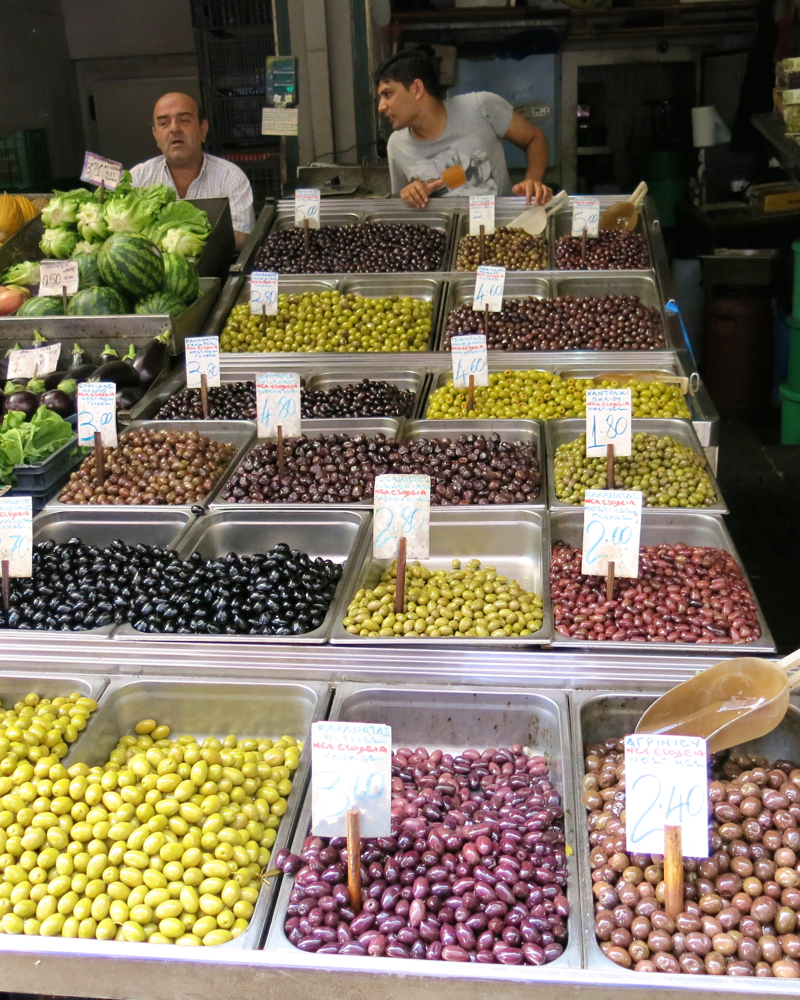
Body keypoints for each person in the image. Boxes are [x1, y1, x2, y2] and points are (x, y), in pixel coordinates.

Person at [375, 51, 552, 210]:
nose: (381, 106)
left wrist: (532, 182)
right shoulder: (396, 146)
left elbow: (534, 138)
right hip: (443, 232)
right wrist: (410, 195)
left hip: (501, 229)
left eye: (388, 94)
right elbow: (402, 206)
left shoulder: (481, 106)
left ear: (417, 89)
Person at [131, 93, 255, 250]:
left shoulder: (231, 177)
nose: (174, 129)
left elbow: (241, 237)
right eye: (164, 123)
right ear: (155, 135)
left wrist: (183, 242)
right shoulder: (138, 178)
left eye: (184, 120)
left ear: (203, 129)